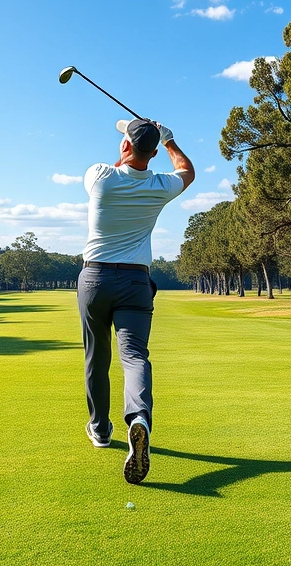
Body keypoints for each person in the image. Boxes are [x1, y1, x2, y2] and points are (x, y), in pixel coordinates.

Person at [78, 118, 195, 484]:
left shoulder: (99, 176)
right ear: (155, 153)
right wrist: (169, 139)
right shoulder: (161, 185)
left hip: (95, 278)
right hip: (135, 281)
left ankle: (100, 429)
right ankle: (139, 417)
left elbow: (120, 156)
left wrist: (131, 130)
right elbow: (187, 172)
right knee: (134, 357)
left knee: (97, 355)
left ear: (125, 146)